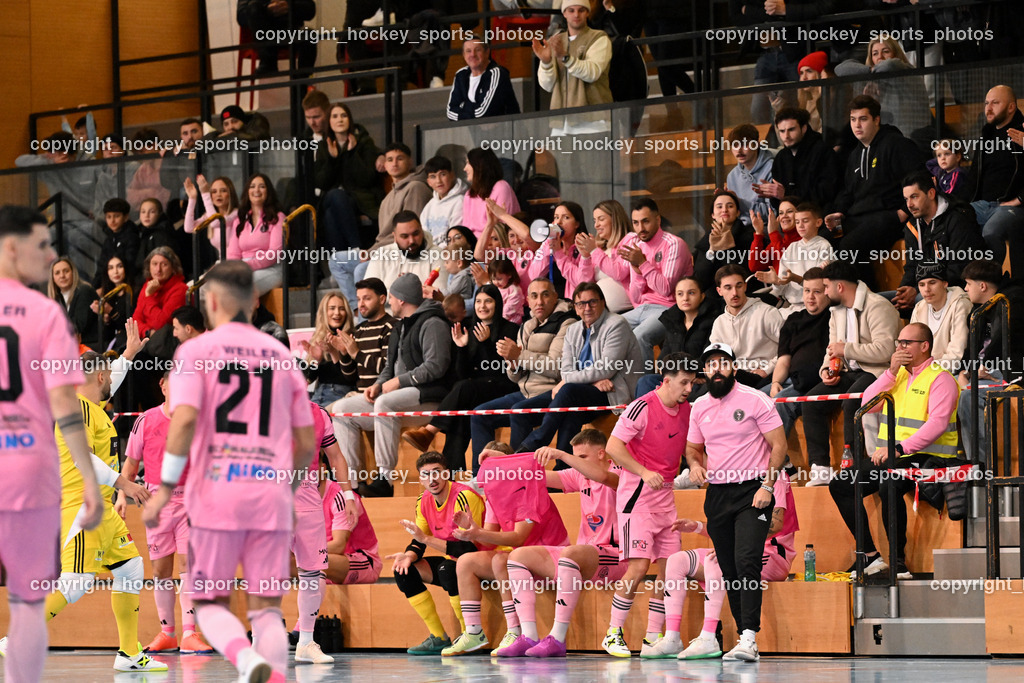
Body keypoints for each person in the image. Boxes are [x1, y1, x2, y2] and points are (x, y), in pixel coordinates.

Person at [142, 260, 317, 683]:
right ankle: (268, 668)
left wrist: (165, 489)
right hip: (270, 493)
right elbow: (306, 441)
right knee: (268, 610)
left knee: (209, 604)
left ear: (212, 301)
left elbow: (182, 423)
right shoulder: (279, 353)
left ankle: (245, 658)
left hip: (216, 493)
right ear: (255, 302)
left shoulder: (195, 352)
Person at [0, 351, 162, 672]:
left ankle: (129, 654)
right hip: (83, 508)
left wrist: (128, 355)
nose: (111, 385)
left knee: (130, 569)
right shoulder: (80, 409)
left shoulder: (92, 408)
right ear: (99, 377)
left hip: (103, 512)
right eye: (107, 377)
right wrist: (125, 485)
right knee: (75, 584)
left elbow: (107, 381)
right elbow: (82, 458)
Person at [0, 205, 104, 683]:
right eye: (41, 246)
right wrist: (88, 476)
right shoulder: (45, 314)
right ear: (12, 248)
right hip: (26, 466)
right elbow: (65, 403)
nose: (49, 255)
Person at [830, 323, 961, 580]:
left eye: (906, 343)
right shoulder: (898, 375)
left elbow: (938, 424)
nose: (899, 347)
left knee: (888, 483)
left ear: (924, 346)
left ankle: (898, 562)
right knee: (842, 484)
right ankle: (870, 557)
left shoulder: (940, 378)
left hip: (931, 457)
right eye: (898, 342)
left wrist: (899, 449)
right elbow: (867, 405)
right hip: (894, 455)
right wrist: (889, 372)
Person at [684, 342, 788, 661]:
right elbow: (692, 449)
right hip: (717, 493)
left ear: (733, 367)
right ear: (705, 371)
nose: (718, 369)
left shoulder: (756, 399)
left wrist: (767, 486)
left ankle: (748, 637)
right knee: (728, 567)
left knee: (746, 560)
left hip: (753, 491)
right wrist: (695, 465)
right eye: (711, 364)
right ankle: (739, 637)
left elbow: (779, 446)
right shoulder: (699, 406)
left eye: (723, 363)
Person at [598, 352, 698, 657]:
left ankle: (654, 635)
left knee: (670, 571)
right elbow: (613, 447)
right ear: (665, 381)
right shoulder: (641, 406)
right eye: (684, 382)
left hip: (665, 497)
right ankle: (613, 633)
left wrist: (694, 464)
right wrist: (643, 471)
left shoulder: (687, 410)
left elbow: (693, 446)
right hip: (636, 498)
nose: (689, 389)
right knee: (639, 566)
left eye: (692, 383)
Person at [499, 430, 624, 658]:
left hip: (618, 556)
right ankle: (528, 636)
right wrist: (499, 461)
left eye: (582, 458)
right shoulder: (579, 476)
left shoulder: (621, 472)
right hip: (581, 557)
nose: (577, 463)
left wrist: (564, 456)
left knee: (572, 553)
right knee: (518, 557)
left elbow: (604, 478)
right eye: (576, 457)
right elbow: (533, 475)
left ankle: (557, 638)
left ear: (601, 453)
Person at [331, 273, 452, 497]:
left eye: (393, 298)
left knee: (385, 402)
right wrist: (378, 384)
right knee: (341, 410)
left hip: (430, 397)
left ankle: (385, 478)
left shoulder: (433, 322)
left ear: (402, 300)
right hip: (403, 399)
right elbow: (389, 366)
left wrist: (398, 381)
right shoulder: (401, 326)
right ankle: (353, 484)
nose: (390, 302)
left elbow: (436, 366)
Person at [441, 451, 570, 656]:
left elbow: (518, 538)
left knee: (503, 560)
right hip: (523, 559)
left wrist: (478, 532)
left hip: (552, 558)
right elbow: (488, 540)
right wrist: (471, 531)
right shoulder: (496, 499)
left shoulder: (529, 495)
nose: (486, 484)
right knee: (466, 561)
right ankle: (474, 632)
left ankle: (514, 630)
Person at [122, 372, 213, 656]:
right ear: (162, 386)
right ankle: (168, 633)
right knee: (161, 570)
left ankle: (189, 633)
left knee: (189, 566)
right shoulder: (145, 420)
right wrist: (120, 497)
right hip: (156, 502)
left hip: (190, 501)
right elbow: (131, 464)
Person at [801, 261, 900, 485]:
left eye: (826, 286)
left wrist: (846, 349)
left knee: (851, 402)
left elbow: (886, 351)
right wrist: (827, 368)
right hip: (848, 370)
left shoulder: (878, 306)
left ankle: (853, 467)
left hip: (876, 371)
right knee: (811, 401)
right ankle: (821, 469)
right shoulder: (835, 311)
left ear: (840, 287)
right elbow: (832, 348)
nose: (824, 292)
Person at [402, 285, 519, 471]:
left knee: (465, 389)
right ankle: (451, 471)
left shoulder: (511, 329)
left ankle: (430, 431)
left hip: (503, 387)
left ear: (498, 304)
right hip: (475, 392)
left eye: (488, 301)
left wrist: (487, 344)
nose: (482, 306)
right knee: (461, 414)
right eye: (479, 301)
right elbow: (462, 373)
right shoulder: (469, 329)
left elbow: (500, 370)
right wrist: (462, 347)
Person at [517, 282, 644, 454]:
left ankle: (539, 439)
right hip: (582, 390)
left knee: (568, 391)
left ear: (602, 302)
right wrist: (591, 382)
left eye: (592, 302)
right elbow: (566, 369)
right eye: (581, 304)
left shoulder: (616, 324)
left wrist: (568, 381)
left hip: (612, 392)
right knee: (520, 410)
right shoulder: (573, 329)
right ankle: (529, 467)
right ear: (575, 308)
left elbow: (606, 369)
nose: (587, 308)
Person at [388, 451, 485, 655]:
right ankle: (439, 637)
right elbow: (419, 538)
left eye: (436, 472)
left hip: (482, 558)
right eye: (425, 474)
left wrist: (426, 539)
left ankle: (469, 635)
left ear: (447, 474)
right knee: (404, 571)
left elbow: (469, 548)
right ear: (421, 479)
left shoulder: (463, 496)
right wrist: (409, 556)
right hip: (457, 559)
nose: (432, 479)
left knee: (449, 569)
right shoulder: (423, 500)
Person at [470, 278, 576, 467]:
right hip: (524, 391)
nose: (539, 302)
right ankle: (482, 479)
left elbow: (555, 368)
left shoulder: (567, 322)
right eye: (534, 296)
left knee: (520, 411)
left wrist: (519, 355)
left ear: (555, 297)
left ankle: (518, 476)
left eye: (545, 295)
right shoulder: (526, 326)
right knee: (480, 414)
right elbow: (515, 376)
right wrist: (512, 362)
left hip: (552, 391)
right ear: (528, 300)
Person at [825, 95, 924, 289]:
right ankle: (829, 298)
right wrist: (839, 213)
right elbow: (847, 192)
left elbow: (918, 179)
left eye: (863, 119)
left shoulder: (897, 144)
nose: (857, 125)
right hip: (857, 217)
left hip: (889, 216)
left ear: (876, 120)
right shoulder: (855, 154)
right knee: (823, 240)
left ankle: (865, 298)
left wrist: (904, 211)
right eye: (853, 120)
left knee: (850, 246)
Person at [582, 198, 692, 366]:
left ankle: (643, 388)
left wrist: (642, 263)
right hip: (642, 307)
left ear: (658, 219)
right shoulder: (637, 245)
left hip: (670, 308)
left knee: (640, 336)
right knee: (599, 330)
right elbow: (635, 295)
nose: (641, 228)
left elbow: (666, 288)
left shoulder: (674, 244)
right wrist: (638, 272)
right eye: (636, 223)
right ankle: (602, 384)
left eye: (645, 221)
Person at [288, 401, 354, 664]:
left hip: (307, 498)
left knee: (313, 571)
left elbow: (335, 456)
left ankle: (306, 641)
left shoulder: (319, 413)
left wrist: (348, 494)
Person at [892, 170, 987, 314]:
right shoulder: (912, 226)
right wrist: (904, 291)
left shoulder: (958, 219)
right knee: (883, 303)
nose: (909, 205)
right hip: (926, 290)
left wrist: (918, 289)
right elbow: (912, 267)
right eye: (906, 199)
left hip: (955, 290)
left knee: (919, 301)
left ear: (931, 193)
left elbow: (959, 269)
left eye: (914, 197)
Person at [957, 260, 1024, 463]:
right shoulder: (977, 313)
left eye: (968, 283)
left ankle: (982, 467)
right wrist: (966, 372)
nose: (965, 289)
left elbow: (1006, 349)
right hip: (980, 373)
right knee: (939, 385)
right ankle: (952, 463)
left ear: (982, 286)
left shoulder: (1010, 303)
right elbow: (970, 353)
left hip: (1009, 373)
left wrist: (981, 371)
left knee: (969, 396)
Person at [768, 267, 832, 437]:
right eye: (807, 291)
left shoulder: (834, 317)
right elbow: (784, 360)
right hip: (790, 378)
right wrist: (775, 382)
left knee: (780, 401)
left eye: (816, 291)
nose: (810, 296)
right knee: (753, 400)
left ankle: (776, 460)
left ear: (828, 292)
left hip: (812, 381)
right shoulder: (793, 320)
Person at [635, 277, 722, 397]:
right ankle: (646, 415)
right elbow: (662, 360)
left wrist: (689, 376)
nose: (685, 298)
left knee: (706, 389)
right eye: (680, 294)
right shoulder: (672, 320)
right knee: (646, 381)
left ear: (702, 296)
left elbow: (709, 359)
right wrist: (676, 376)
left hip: (700, 380)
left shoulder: (715, 321)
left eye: (691, 293)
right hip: (675, 378)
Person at [315, 102, 384, 252]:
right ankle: (356, 247)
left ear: (349, 120)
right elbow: (322, 182)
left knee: (329, 217)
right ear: (329, 122)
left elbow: (366, 178)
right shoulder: (322, 146)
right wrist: (332, 159)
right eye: (335, 116)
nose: (339, 120)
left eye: (343, 116)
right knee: (335, 195)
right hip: (330, 197)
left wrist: (352, 154)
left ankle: (338, 264)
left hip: (357, 198)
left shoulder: (364, 143)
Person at [534, 0, 613, 130]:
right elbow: (547, 86)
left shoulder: (599, 38)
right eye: (571, 10)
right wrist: (546, 62)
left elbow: (592, 73)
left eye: (581, 10)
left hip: (594, 122)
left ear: (587, 12)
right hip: (561, 124)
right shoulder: (555, 41)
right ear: (564, 13)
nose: (576, 15)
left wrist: (565, 57)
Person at [708, 265, 784, 388]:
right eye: (728, 288)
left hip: (763, 378)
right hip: (734, 377)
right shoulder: (719, 323)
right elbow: (716, 359)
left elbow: (787, 347)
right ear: (719, 291)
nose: (734, 293)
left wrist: (767, 369)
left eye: (738, 286)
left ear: (745, 286)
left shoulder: (766, 312)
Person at [763, 202, 836, 315]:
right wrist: (776, 281)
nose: (800, 225)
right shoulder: (792, 247)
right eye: (797, 222)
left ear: (818, 222)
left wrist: (796, 278)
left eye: (805, 221)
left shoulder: (823, 246)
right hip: (792, 306)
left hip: (816, 308)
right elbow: (780, 289)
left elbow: (819, 285)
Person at [761, 107, 840, 209]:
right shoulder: (781, 158)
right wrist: (773, 195)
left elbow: (827, 192)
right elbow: (778, 201)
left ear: (804, 128)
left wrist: (786, 195)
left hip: (817, 218)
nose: (786, 136)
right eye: (782, 131)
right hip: (789, 219)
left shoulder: (823, 152)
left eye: (791, 129)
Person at [229, 173, 285, 297]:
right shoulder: (240, 219)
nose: (256, 190)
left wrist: (247, 265)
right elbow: (233, 253)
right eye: (252, 186)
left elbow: (274, 253)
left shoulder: (278, 217)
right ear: (247, 191)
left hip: (271, 269)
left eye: (262, 186)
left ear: (268, 191)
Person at [322, 471, 381, 587]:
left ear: (322, 467)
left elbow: (339, 546)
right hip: (323, 558)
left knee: (314, 564)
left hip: (361, 560)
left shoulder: (341, 496)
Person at [909, 264, 971, 373]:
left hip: (951, 373)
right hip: (924, 371)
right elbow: (911, 348)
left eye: (932, 283)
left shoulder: (960, 305)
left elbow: (956, 356)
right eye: (922, 285)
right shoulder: (919, 307)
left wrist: (924, 369)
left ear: (944, 283)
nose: (927, 289)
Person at [371, 143, 433, 251]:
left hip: (403, 251)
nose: (394, 164)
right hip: (382, 250)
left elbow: (410, 231)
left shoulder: (416, 187)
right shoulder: (386, 199)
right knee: (336, 259)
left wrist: (372, 252)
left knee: (359, 267)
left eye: (400, 159)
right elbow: (383, 237)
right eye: (390, 160)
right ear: (385, 165)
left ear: (410, 162)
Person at [301, 290, 357, 407]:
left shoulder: (352, 336)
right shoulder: (319, 336)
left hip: (341, 396)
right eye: (332, 308)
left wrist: (333, 353)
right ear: (324, 312)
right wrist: (316, 360)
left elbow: (349, 379)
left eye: (341, 309)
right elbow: (310, 378)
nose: (337, 313)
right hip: (318, 393)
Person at [692, 190, 754, 291]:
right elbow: (699, 280)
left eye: (730, 206)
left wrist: (727, 245)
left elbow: (747, 275)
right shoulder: (706, 240)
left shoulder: (750, 237)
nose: (724, 210)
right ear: (713, 214)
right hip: (713, 295)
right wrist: (712, 250)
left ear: (738, 212)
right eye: (719, 207)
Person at [447, 35, 521, 120]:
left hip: (506, 130)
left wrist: (464, 105)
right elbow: (450, 113)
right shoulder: (461, 75)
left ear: (487, 52)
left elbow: (484, 113)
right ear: (463, 55)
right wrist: (475, 107)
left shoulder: (497, 73)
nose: (473, 54)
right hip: (477, 132)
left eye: (477, 50)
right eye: (468, 51)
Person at [576, 199, 631, 312]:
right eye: (595, 220)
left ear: (615, 219)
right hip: (599, 314)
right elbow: (584, 284)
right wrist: (585, 256)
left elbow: (618, 273)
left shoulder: (629, 240)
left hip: (626, 312)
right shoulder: (600, 249)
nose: (596, 225)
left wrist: (594, 250)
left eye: (601, 219)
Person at [236, 0, 317, 75]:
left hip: (290, 31)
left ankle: (303, 83)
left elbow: (310, 9)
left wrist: (289, 6)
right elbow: (241, 16)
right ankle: (268, 63)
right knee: (253, 6)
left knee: (309, 35)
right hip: (265, 35)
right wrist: (266, 10)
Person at [462, 147, 521, 237]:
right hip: (473, 245)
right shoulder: (469, 194)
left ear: (479, 166)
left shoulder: (501, 187)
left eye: (468, 163)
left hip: (495, 242)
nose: (465, 168)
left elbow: (503, 227)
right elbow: (465, 229)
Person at [132, 247, 187, 338]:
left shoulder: (180, 289)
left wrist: (149, 297)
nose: (158, 269)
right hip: (147, 338)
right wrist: (148, 332)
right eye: (154, 264)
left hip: (167, 343)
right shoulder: (147, 285)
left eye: (164, 264)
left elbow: (161, 324)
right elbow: (135, 320)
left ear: (173, 268)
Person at [725, 125, 774, 225]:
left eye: (744, 145)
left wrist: (740, 203)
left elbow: (772, 212)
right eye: (735, 146)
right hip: (739, 227)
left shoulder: (771, 168)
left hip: (764, 228)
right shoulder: (732, 176)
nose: (739, 151)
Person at [49, 257, 99, 347]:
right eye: (57, 273)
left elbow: (78, 326)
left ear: (73, 273)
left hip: (91, 347)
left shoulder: (84, 290)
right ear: (53, 278)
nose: (62, 276)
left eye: (66, 271)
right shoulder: (57, 298)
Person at [183, 174, 238, 257]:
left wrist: (205, 194)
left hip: (237, 262)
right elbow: (189, 228)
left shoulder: (237, 213)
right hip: (223, 263)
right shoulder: (210, 215)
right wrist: (192, 198)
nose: (218, 195)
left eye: (223, 191)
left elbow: (215, 222)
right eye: (214, 192)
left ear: (231, 194)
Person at [420, 156, 468, 245]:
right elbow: (423, 235)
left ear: (452, 175)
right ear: (428, 182)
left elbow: (456, 238)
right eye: (433, 177)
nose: (438, 181)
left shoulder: (460, 202)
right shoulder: (429, 206)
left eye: (443, 174)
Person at [93, 198, 140, 289]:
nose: (112, 221)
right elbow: (101, 266)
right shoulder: (108, 239)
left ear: (126, 217)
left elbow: (130, 265)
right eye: (109, 217)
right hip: (109, 284)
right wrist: (95, 287)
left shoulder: (132, 237)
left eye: (116, 216)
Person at [747, 199, 800, 278]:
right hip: (779, 289)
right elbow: (754, 266)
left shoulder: (803, 240)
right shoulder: (777, 241)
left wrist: (773, 233)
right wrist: (758, 233)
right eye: (781, 213)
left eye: (789, 211)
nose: (784, 216)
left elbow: (785, 266)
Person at [93, 255, 135, 350]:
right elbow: (108, 333)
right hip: (112, 341)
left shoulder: (133, 292)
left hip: (128, 342)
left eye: (119, 266)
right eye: (111, 268)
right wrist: (104, 318)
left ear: (126, 268)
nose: (115, 271)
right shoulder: (107, 295)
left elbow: (129, 324)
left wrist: (111, 311)